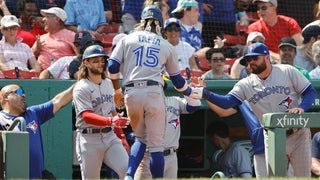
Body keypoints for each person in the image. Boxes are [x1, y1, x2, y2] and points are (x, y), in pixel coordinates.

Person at [188, 42, 318, 177]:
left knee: (303, 177)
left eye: (255, 58)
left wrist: (302, 108)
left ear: (267, 57)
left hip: (298, 135)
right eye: (248, 60)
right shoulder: (246, 84)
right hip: (273, 137)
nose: (251, 62)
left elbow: (310, 91)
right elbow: (226, 103)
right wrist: (204, 93)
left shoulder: (287, 71)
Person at [108, 5, 193, 179]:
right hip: (154, 92)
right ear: (160, 23)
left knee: (140, 138)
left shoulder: (127, 38)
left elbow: (112, 66)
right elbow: (177, 81)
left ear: (142, 20)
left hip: (131, 91)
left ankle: (129, 176)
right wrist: (190, 91)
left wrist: (117, 89)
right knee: (155, 146)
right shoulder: (166, 45)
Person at [73, 44, 130, 179]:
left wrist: (121, 137)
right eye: (96, 60)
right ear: (86, 62)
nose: (100, 64)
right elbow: (86, 116)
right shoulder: (81, 87)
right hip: (89, 138)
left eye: (102, 60)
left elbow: (112, 111)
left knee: (127, 170)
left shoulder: (108, 84)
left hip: (110, 137)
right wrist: (111, 121)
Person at [0, 83, 74, 178]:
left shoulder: (33, 113)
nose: (23, 95)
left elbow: (58, 101)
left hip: (37, 176)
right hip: (13, 176)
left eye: (23, 92)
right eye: (18, 92)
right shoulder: (1, 119)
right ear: (6, 97)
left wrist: (81, 82)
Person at [134, 81, 201, 179]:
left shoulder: (175, 101)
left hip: (170, 156)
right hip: (148, 156)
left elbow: (194, 106)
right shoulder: (142, 103)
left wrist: (185, 89)